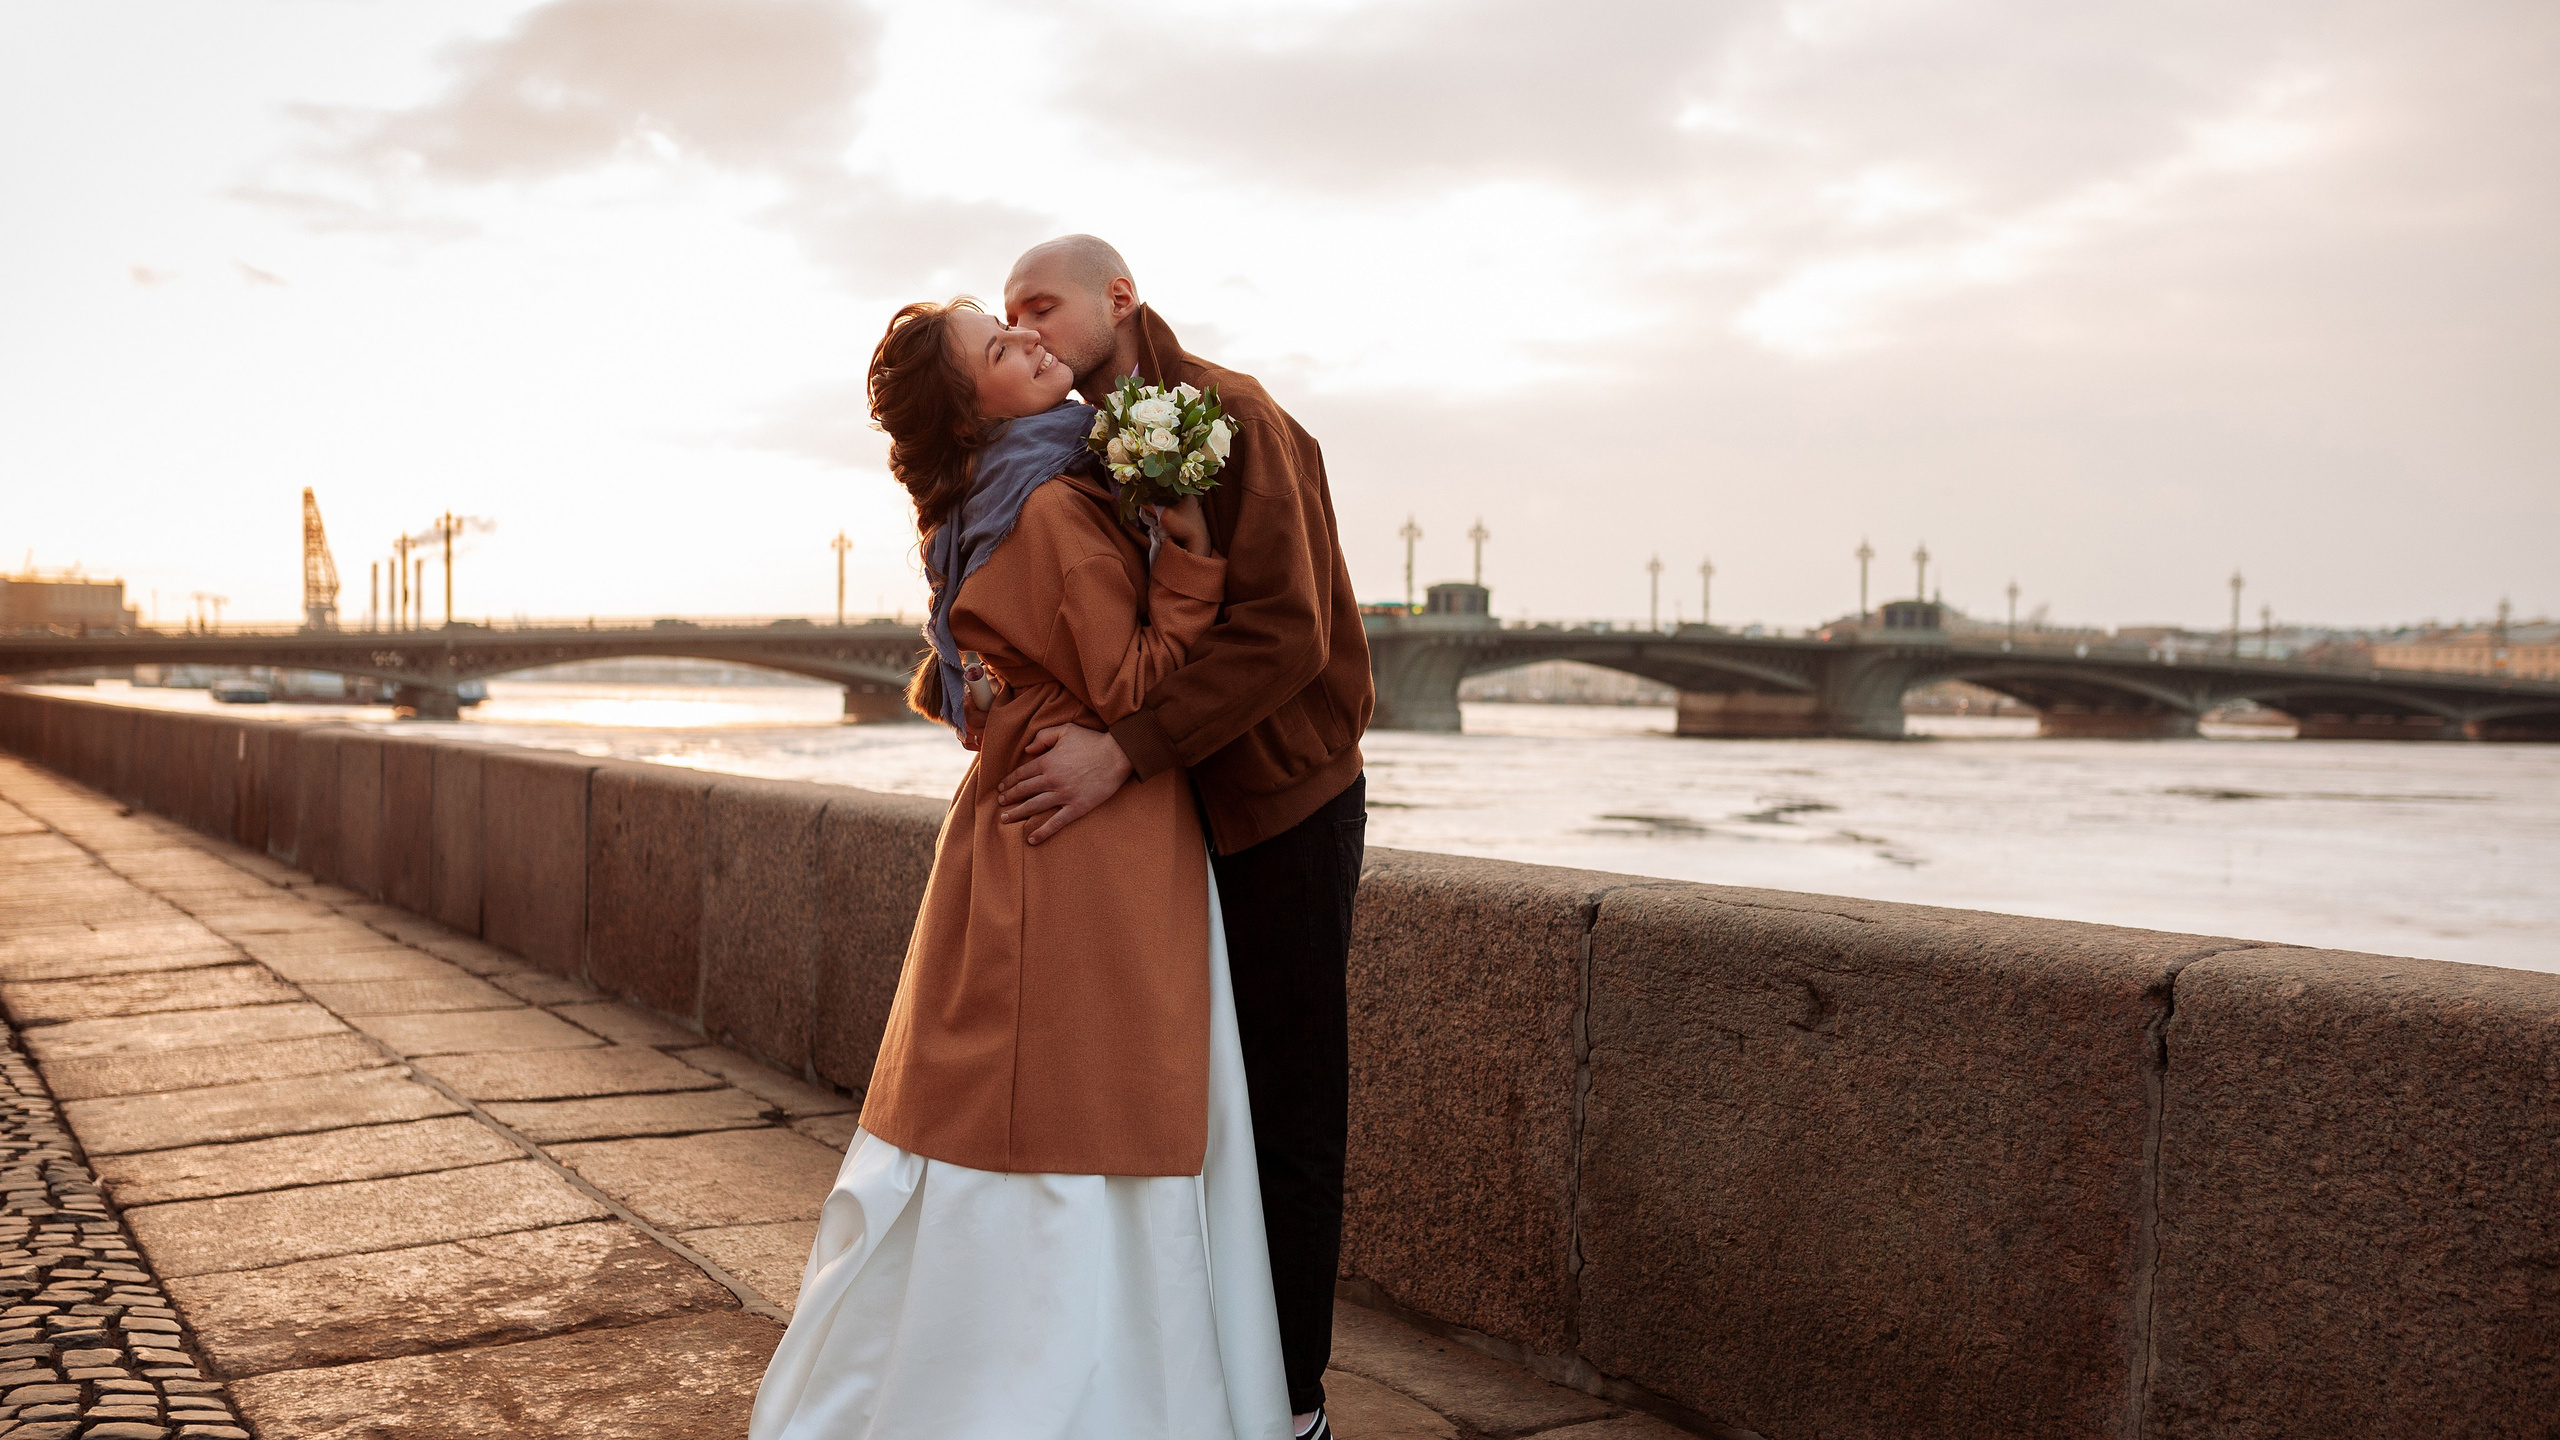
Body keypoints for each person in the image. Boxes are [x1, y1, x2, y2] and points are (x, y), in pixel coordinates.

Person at [746, 296, 1291, 1440]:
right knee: (1087, 1108)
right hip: (1091, 844)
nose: (1034, 343)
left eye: (1019, 324)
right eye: (1003, 348)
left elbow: (977, 676)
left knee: (1006, 1114)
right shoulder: (1053, 504)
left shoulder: (985, 507)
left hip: (1014, 828)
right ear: (973, 404)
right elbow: (1134, 684)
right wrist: (1188, 549)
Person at [994, 236, 1374, 1440]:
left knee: (1286, 1104)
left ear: (1119, 297)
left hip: (1279, 803)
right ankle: (1194, 1382)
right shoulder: (1068, 443)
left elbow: (1287, 638)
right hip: (1163, 826)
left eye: (1041, 304)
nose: (1029, 328)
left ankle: (1297, 1403)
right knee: (1180, 1107)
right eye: (1009, 315)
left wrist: (1123, 750)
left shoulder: (1234, 415)